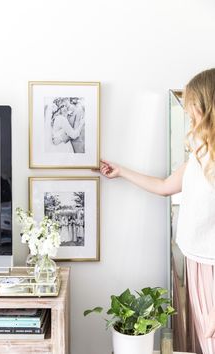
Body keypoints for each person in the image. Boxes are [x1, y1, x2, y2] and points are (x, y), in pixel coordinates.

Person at [100, 68, 215, 354]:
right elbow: (165, 185)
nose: (189, 116)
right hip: (196, 259)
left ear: (206, 106)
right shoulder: (200, 152)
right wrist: (121, 171)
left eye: (192, 110)